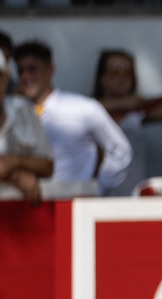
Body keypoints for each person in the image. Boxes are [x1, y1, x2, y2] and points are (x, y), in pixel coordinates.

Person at [14, 40, 131, 195]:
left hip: (72, 206)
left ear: (50, 69)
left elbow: (120, 151)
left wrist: (97, 189)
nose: (26, 76)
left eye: (32, 69)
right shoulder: (12, 112)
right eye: (21, 70)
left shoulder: (83, 108)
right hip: (24, 206)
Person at [92, 49, 162, 196]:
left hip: (134, 195)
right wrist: (127, 103)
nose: (121, 78)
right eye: (114, 72)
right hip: (99, 198)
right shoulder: (87, 109)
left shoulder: (137, 112)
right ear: (102, 78)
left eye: (127, 73)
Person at [0, 55, 53, 204]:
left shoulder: (22, 108)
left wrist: (14, 161)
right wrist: (15, 176)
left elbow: (47, 166)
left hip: (21, 217)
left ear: (6, 79)